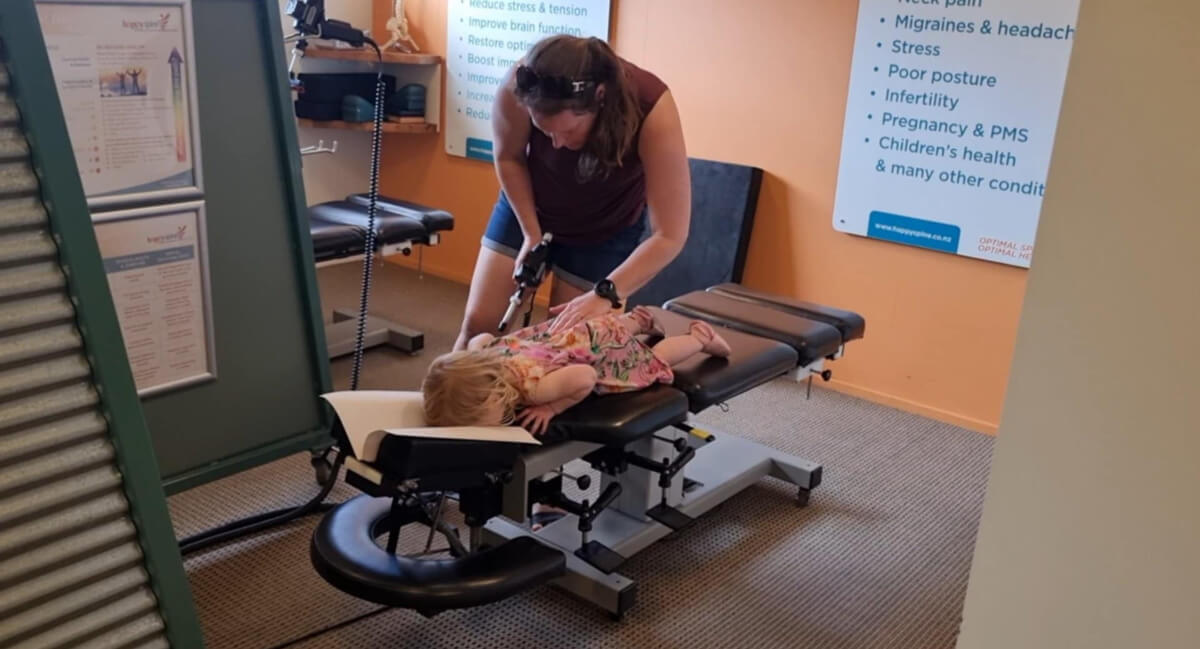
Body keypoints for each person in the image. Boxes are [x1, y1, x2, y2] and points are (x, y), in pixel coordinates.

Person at [453, 34, 691, 351]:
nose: (557, 145)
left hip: (604, 227)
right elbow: (509, 157)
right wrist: (530, 233)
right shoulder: (519, 84)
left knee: (566, 348)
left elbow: (670, 235)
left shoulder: (651, 108)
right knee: (477, 326)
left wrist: (606, 292)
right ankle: (445, 398)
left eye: (567, 131)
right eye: (544, 131)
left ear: (601, 98)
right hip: (528, 205)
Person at [423, 307, 731, 435]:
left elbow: (586, 377)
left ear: (491, 399)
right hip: (582, 334)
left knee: (653, 359)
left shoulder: (534, 389)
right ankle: (637, 320)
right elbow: (480, 338)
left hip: (602, 356)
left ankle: (699, 338)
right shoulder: (484, 355)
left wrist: (552, 407)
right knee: (613, 330)